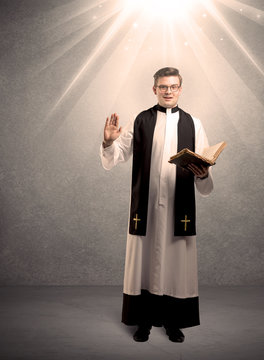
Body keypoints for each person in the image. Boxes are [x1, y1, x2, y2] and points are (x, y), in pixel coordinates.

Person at [100, 67, 213, 343]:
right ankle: (144, 322)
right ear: (154, 89)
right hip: (146, 209)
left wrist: (205, 173)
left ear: (180, 89)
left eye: (173, 86)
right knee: (144, 264)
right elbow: (115, 157)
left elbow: (206, 169)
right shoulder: (140, 120)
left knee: (176, 265)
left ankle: (174, 323)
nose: (168, 91)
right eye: (163, 87)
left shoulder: (193, 124)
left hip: (178, 208)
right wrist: (108, 140)